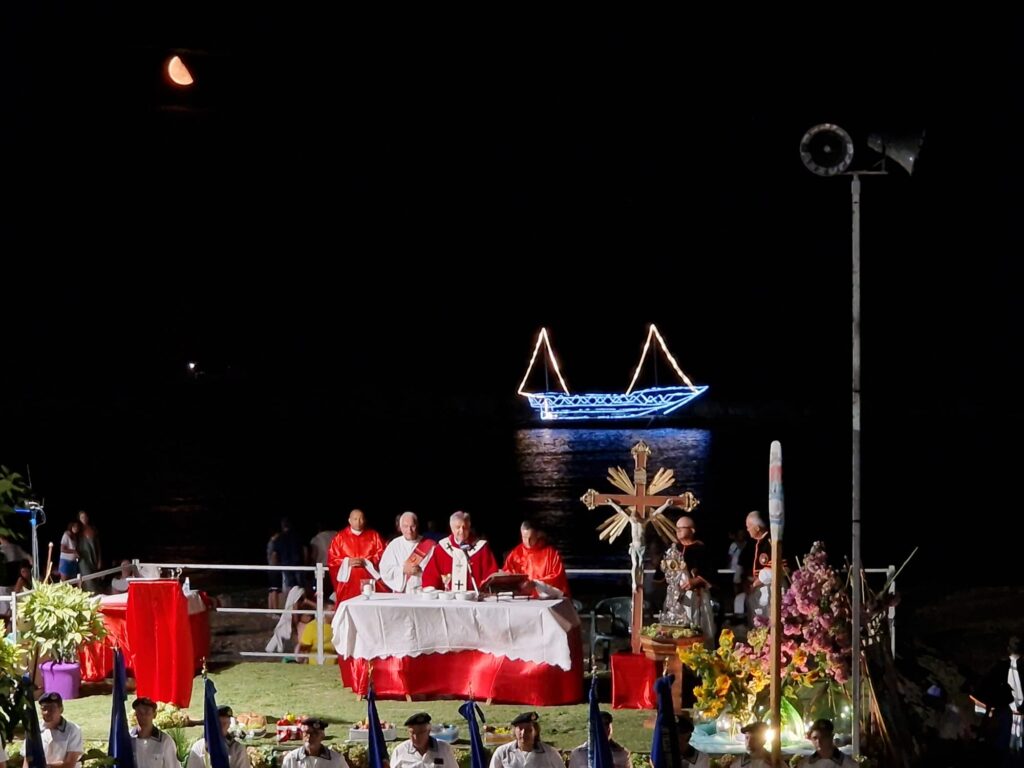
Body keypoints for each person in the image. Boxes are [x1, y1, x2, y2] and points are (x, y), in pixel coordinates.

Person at [660, 515, 716, 645]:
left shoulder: (701, 549)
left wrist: (695, 581)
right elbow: (662, 573)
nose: (678, 530)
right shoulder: (673, 549)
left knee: (695, 628)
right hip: (674, 598)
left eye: (682, 527)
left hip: (695, 597)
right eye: (676, 528)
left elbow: (710, 573)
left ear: (692, 530)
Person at [421, 511, 498, 592]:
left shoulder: (481, 548)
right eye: (458, 527)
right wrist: (431, 589)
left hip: (475, 597)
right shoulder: (441, 548)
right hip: (448, 597)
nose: (461, 531)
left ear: (469, 527)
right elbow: (430, 575)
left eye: (465, 527)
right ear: (452, 528)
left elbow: (490, 575)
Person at [327, 509, 387, 603]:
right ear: (349, 520)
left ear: (365, 520)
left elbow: (382, 554)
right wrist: (347, 562)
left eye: (361, 519)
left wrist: (367, 561)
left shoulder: (374, 536)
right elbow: (332, 559)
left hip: (369, 579)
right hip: (348, 583)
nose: (358, 522)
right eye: (355, 519)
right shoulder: (340, 538)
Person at [500, 521, 570, 598]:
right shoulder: (515, 554)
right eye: (524, 538)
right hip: (521, 598)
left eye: (531, 538)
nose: (527, 542)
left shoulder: (551, 554)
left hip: (545, 599)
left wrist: (536, 584)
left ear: (537, 535)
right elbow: (507, 576)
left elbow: (557, 578)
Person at [378, 512, 436, 593]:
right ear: (400, 527)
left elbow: (437, 572)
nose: (409, 530)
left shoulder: (430, 545)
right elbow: (385, 570)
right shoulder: (394, 545)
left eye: (412, 526)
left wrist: (421, 572)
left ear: (417, 525)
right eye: (405, 526)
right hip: (402, 593)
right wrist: (403, 570)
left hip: (423, 592)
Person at [488, 712, 564, 768]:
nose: (523, 733)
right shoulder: (502, 752)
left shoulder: (550, 753)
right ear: (514, 731)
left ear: (536, 731)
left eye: (528, 729)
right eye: (520, 729)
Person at [186, 705, 252, 768]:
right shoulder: (199, 747)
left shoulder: (237, 748)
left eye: (225, 723)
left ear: (229, 724)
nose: (221, 727)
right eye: (218, 724)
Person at [390, 712, 457, 768]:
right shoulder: (400, 751)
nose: (416, 737)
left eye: (420, 733)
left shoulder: (444, 748)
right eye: (412, 733)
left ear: (429, 730)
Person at [130, 696, 181, 768]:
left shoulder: (165, 741)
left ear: (154, 714)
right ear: (135, 714)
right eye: (139, 712)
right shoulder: (128, 739)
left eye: (147, 711)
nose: (143, 715)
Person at [39, 691, 84, 768]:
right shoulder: (36, 729)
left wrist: (44, 766)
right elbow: (27, 759)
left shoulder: (73, 730)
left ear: (61, 709)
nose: (47, 712)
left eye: (51, 709)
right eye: (44, 709)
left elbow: (69, 764)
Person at [281, 718, 349, 768]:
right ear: (301, 735)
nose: (309, 736)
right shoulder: (291, 759)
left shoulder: (336, 760)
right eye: (306, 733)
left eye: (315, 733)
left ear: (322, 736)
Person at [745, 511, 772, 625]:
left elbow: (775, 569)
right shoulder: (759, 543)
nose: (747, 529)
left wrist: (756, 582)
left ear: (757, 528)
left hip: (770, 588)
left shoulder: (770, 542)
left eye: (749, 526)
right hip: (760, 589)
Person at [76, 510, 101, 593]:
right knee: (87, 579)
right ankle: (91, 595)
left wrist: (99, 560)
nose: (84, 519)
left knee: (94, 577)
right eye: (82, 517)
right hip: (83, 558)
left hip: (93, 556)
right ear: (79, 519)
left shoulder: (93, 529)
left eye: (85, 517)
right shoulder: (77, 530)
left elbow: (98, 546)